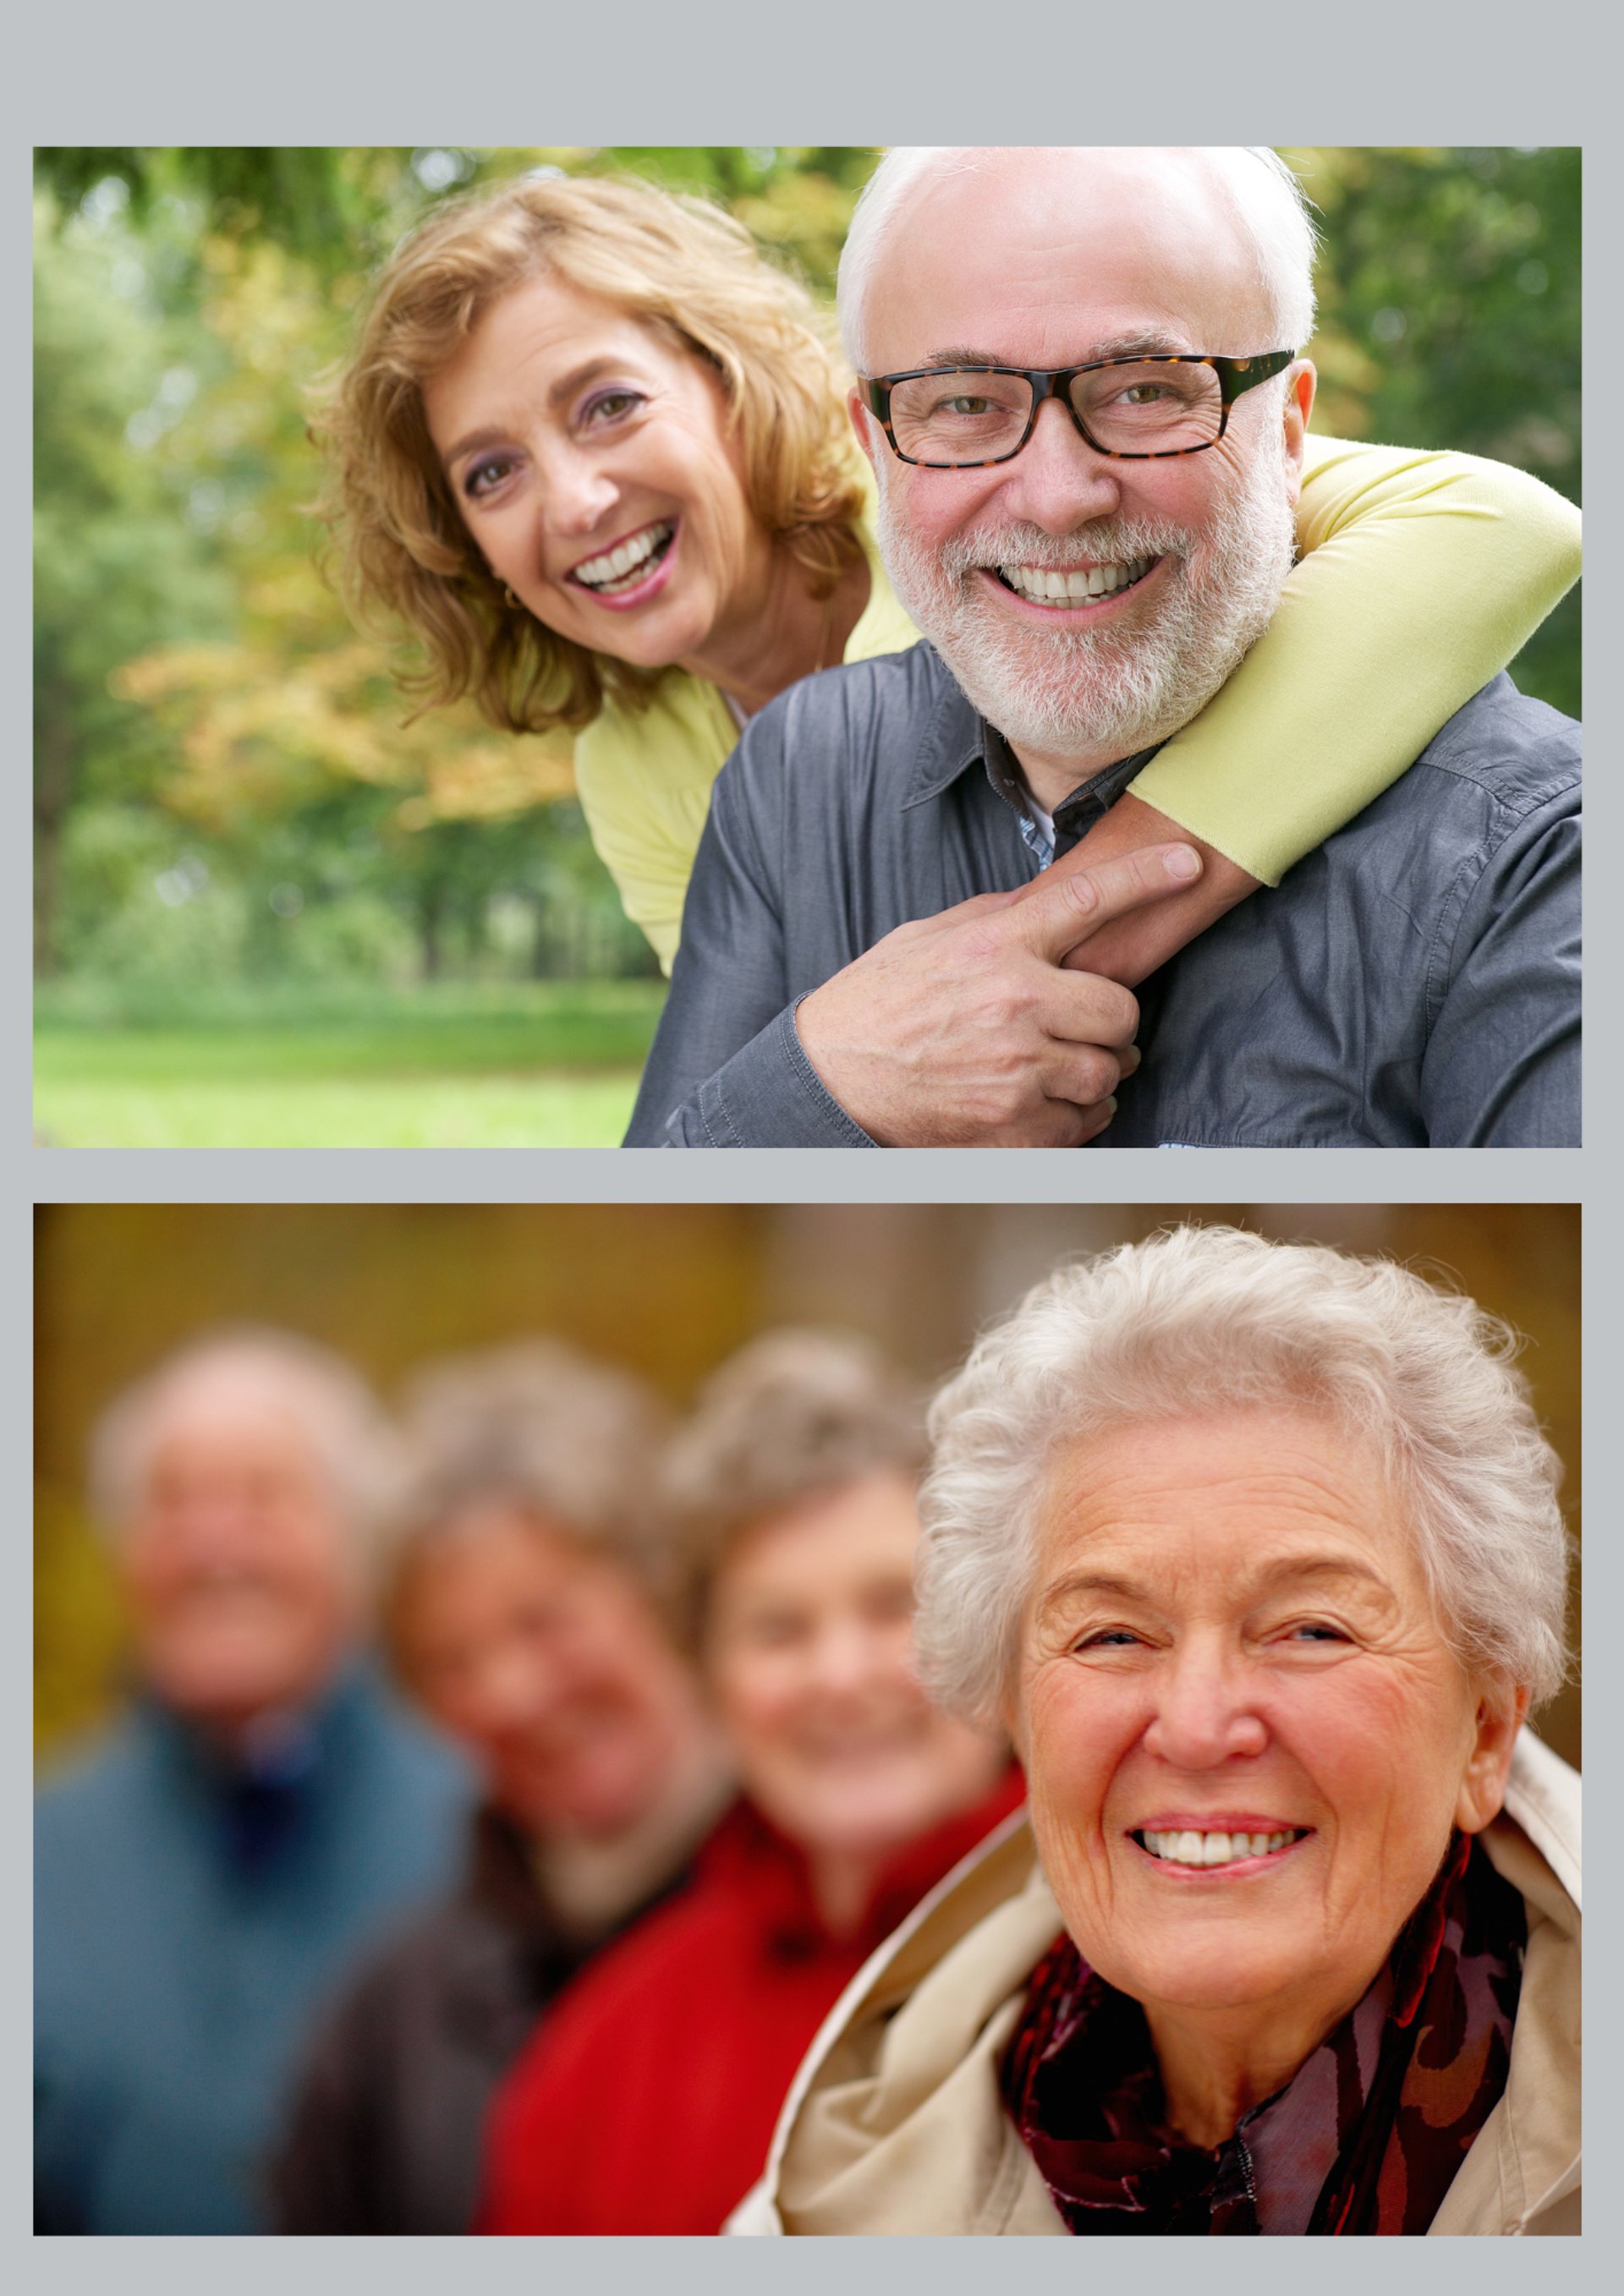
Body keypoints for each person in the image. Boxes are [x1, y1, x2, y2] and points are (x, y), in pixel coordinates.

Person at [321, 163, 1577, 1023]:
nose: (576, 501)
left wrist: (1106, 899)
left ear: (734, 379)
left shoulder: (981, 490)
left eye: (610, 405)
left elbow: (1505, 523)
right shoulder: (638, 767)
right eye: (492, 473)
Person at [624, 146, 1583, 1147]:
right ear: (874, 444)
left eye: (1145, 391)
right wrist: (819, 1084)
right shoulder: (797, 771)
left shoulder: (1542, 858)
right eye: (962, 404)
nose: (1056, 498)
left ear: (1290, 434)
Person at [731, 1229, 1578, 2236]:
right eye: (1114, 1634)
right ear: (1016, 1713)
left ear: (1485, 1732)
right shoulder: (824, 2208)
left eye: (1311, 1628)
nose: (1197, 1726)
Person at [476, 1331, 1023, 2235]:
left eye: (896, 1606)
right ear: (705, 1675)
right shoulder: (605, 2052)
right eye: (778, 1628)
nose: (840, 1675)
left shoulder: (1132, 1977)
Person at [272, 1340, 731, 2233]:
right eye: (452, 1660)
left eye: (544, 1622)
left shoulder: (841, 1929)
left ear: (660, 1591)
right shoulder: (391, 2019)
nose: (510, 1695)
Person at [33, 1330, 470, 2234]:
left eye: (264, 1498)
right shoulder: (38, 1853)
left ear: (356, 1548)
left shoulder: (480, 1834)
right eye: (172, 1502)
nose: (215, 1543)